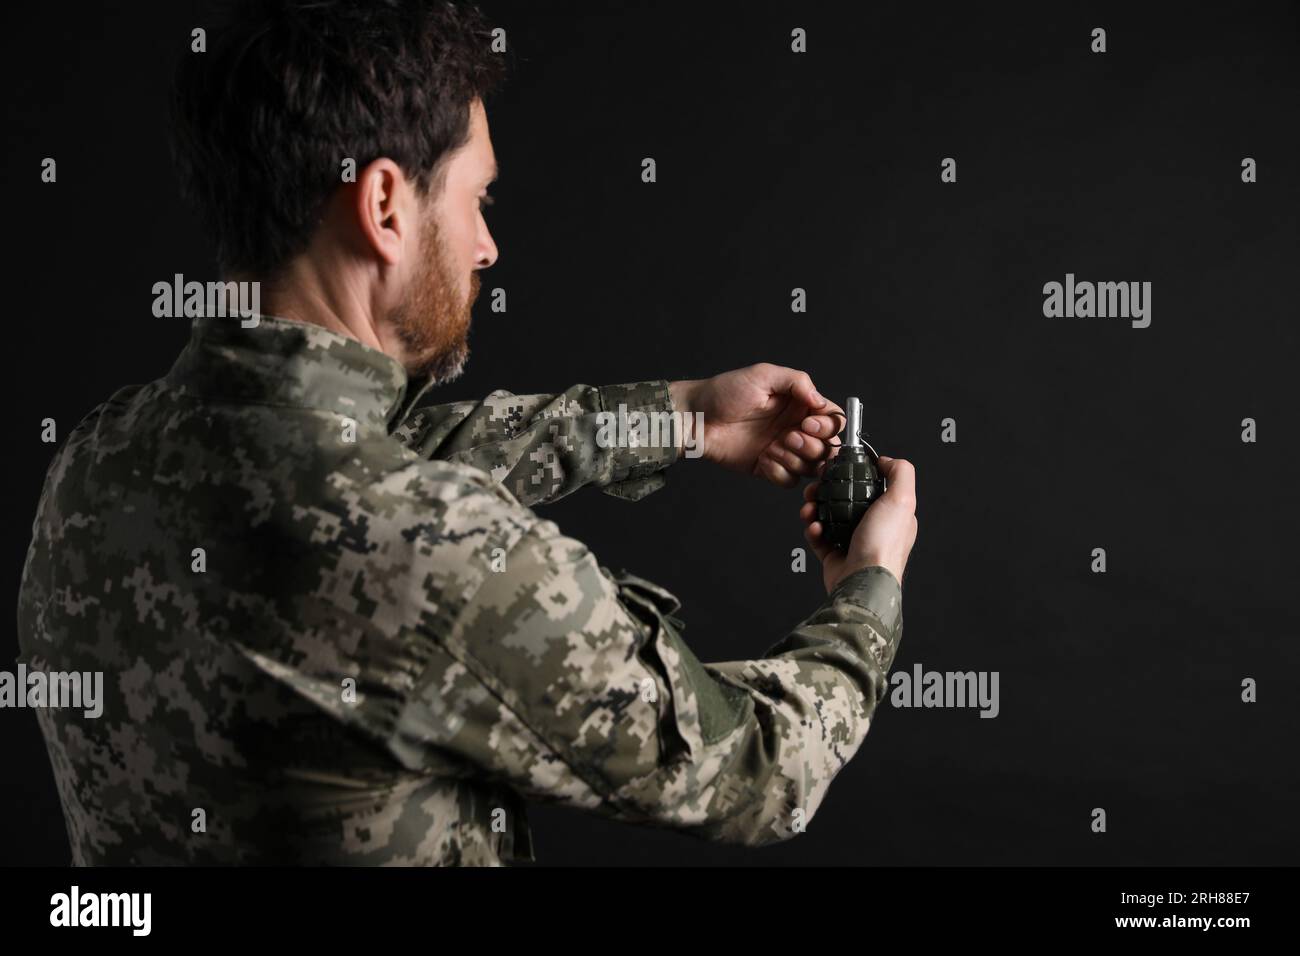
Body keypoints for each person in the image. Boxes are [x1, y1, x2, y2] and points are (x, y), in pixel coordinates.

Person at [16, 0, 918, 865]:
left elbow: (351, 467)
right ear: (384, 207)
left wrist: (679, 417)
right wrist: (867, 590)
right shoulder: (433, 553)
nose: (487, 246)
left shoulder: (95, 463)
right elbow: (761, 768)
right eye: (476, 199)